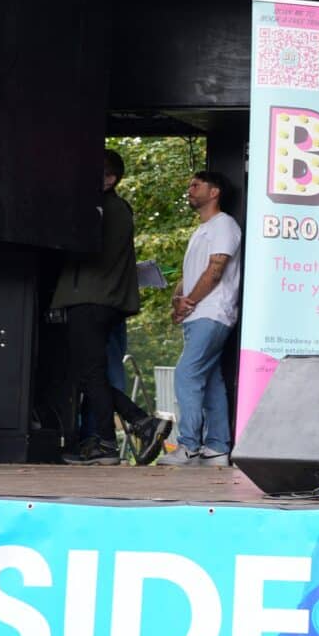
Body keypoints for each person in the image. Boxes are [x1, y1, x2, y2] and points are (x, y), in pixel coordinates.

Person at [51, 149, 171, 466]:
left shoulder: (103, 210)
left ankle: (109, 440)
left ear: (110, 179)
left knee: (90, 374)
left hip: (91, 300)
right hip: (100, 301)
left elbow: (79, 247)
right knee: (90, 374)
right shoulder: (115, 209)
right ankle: (135, 425)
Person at [166, 170, 243, 466]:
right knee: (210, 381)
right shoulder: (202, 229)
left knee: (186, 374)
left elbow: (215, 269)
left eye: (196, 185)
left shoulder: (224, 225)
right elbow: (191, 275)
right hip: (200, 314)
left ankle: (188, 446)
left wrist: (190, 302)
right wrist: (178, 301)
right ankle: (217, 449)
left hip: (213, 312)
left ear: (215, 192)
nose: (190, 189)